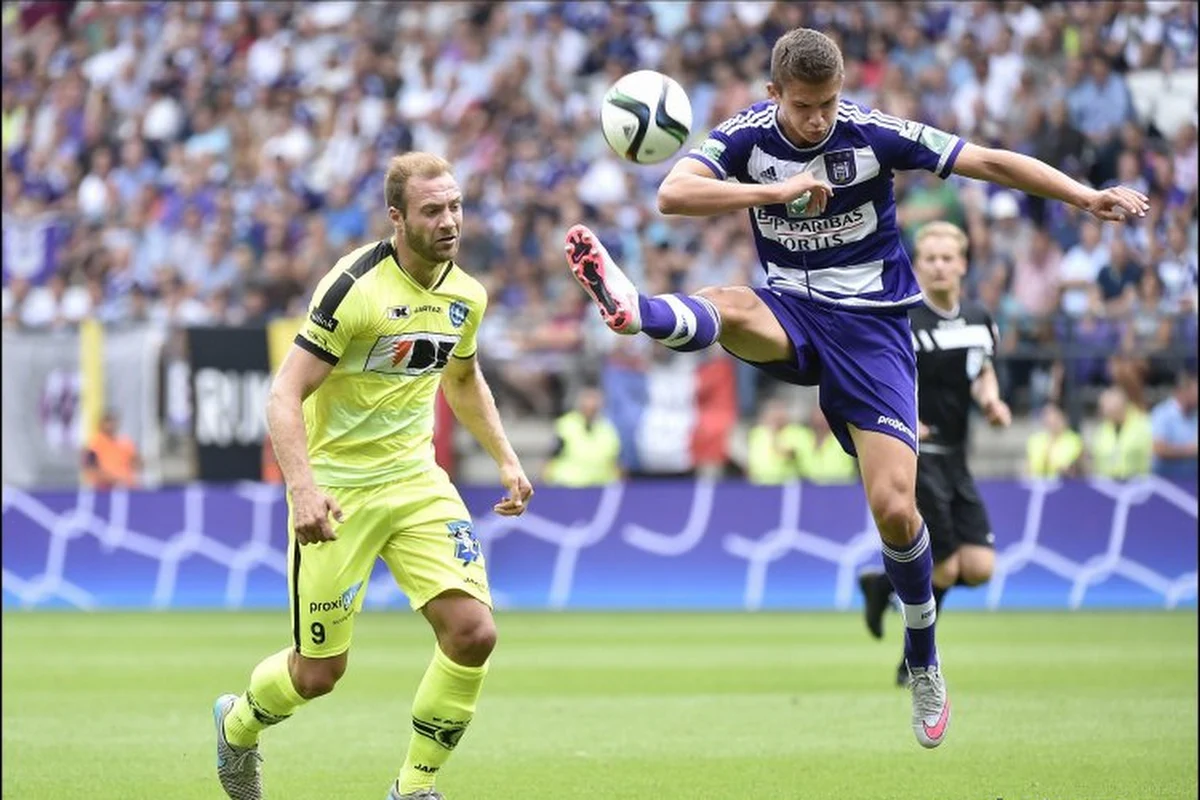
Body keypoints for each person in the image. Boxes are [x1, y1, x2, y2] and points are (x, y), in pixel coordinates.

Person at [563, 27, 1147, 749]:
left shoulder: (871, 132)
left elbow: (985, 159)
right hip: (794, 313)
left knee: (895, 510)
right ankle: (636, 311)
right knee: (732, 302)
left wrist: (1084, 196)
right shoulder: (746, 134)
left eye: (829, 104)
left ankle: (924, 656)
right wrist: (775, 189)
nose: (819, 120)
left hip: (873, 332)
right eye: (805, 106)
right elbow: (673, 193)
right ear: (773, 94)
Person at [213, 152, 534, 800]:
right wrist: (303, 488)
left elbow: (463, 378)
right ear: (396, 217)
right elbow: (283, 396)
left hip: (417, 480)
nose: (450, 222)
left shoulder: (466, 296)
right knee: (319, 672)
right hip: (338, 491)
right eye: (432, 210)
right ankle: (239, 723)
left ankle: (413, 787)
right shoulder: (353, 288)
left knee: (474, 633)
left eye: (456, 206)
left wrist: (505, 456)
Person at [856, 221, 1011, 688]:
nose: (940, 266)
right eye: (930, 258)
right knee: (943, 566)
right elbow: (875, 376)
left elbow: (981, 369)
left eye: (948, 258)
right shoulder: (901, 317)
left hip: (957, 454)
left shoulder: (980, 318)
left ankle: (884, 585)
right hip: (914, 455)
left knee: (979, 569)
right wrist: (901, 414)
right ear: (917, 264)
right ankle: (914, 661)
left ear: (963, 264)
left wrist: (991, 400)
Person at [543, 385, 622, 487]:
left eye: (594, 405)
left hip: (599, 486)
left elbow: (616, 462)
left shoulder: (608, 428)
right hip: (567, 487)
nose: (591, 407)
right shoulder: (566, 426)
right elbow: (551, 458)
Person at [1090, 386, 1153, 480]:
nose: (1105, 412)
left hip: (1137, 483)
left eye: (1109, 409)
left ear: (1121, 406)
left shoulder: (1143, 424)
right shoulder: (1102, 429)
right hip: (1107, 485)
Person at [745, 395, 806, 484]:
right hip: (759, 485)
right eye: (774, 411)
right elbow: (751, 460)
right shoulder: (757, 433)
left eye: (780, 411)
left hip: (784, 485)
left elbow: (790, 454)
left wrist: (773, 434)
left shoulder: (795, 432)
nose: (777, 415)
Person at [1150, 370, 1199, 480]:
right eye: (1194, 393)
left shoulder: (1195, 416)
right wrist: (1191, 451)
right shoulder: (1161, 413)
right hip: (1165, 483)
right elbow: (1159, 449)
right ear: (1182, 392)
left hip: (1191, 482)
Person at [81, 409, 140, 489]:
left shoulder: (125, 442)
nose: (111, 425)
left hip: (126, 487)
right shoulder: (95, 443)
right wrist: (112, 478)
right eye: (108, 422)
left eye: (113, 422)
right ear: (102, 424)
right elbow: (90, 467)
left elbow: (136, 463)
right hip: (103, 488)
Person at [1025, 403, 1085, 478]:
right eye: (1047, 416)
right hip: (1038, 484)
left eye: (1055, 417)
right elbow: (1029, 468)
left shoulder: (1074, 440)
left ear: (1063, 417)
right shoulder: (1035, 440)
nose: (1051, 420)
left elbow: (1072, 468)